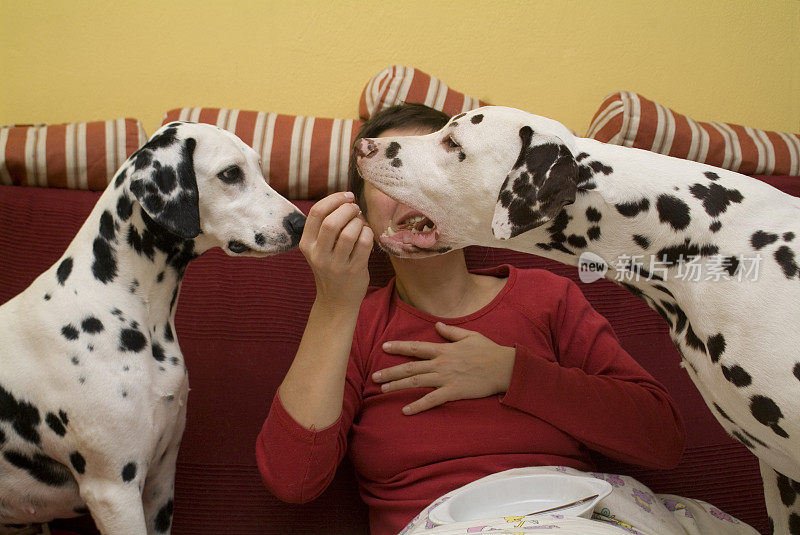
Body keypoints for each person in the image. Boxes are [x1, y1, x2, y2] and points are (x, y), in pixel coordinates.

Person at [255, 103, 685, 535]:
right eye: (390, 168)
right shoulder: (355, 320)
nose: (411, 181)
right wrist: (334, 304)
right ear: (364, 215)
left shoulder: (547, 298)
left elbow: (662, 439)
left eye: (435, 161)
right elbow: (293, 479)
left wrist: (511, 372)